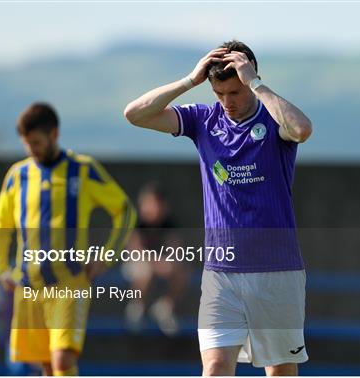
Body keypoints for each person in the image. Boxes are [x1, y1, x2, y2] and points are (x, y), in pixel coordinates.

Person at [124, 40, 312, 376]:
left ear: (251, 78)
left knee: (280, 371)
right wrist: (189, 81)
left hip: (276, 271)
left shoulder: (273, 118)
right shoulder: (202, 120)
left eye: (235, 92)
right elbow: (135, 114)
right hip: (220, 272)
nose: (227, 102)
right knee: (213, 368)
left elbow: (302, 129)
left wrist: (256, 83)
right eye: (219, 93)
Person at [0, 103, 136, 376]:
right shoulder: (17, 175)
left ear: (54, 134)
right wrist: (1, 269)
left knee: (62, 360)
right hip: (29, 286)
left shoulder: (83, 170)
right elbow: (0, 225)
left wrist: (106, 257)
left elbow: (124, 211)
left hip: (69, 283)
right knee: (45, 366)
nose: (31, 149)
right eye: (27, 144)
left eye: (36, 142)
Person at [122, 182, 191, 336]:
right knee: (144, 270)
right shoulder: (135, 222)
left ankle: (164, 307)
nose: (153, 208)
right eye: (149, 203)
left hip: (160, 264)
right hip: (135, 265)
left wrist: (167, 263)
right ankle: (136, 308)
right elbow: (135, 252)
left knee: (182, 271)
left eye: (156, 204)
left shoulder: (170, 223)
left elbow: (176, 251)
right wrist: (157, 262)